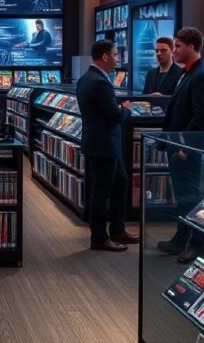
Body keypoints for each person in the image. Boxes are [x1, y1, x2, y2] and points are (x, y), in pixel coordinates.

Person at [157, 27, 204, 264]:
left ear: (191, 47)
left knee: (191, 196)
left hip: (187, 147)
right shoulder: (187, 72)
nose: (174, 50)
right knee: (182, 196)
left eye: (178, 46)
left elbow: (200, 116)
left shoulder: (201, 75)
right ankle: (180, 239)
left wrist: (186, 147)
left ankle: (198, 244)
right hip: (178, 143)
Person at [77, 40, 136, 252]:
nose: (117, 58)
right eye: (115, 54)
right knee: (101, 192)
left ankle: (118, 229)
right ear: (105, 57)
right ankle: (99, 238)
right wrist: (126, 108)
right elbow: (114, 115)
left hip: (101, 144)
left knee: (121, 183)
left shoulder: (86, 78)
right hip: (105, 145)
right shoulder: (99, 82)